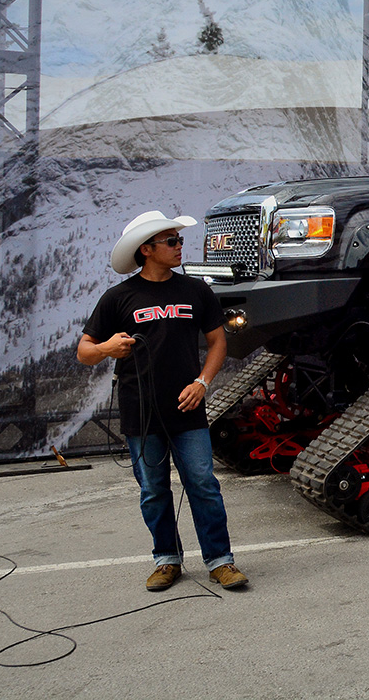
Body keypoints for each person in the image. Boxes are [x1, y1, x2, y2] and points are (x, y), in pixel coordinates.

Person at [77, 211, 248, 592]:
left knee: (203, 483)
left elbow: (219, 342)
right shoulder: (118, 297)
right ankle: (166, 560)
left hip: (189, 409)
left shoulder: (195, 291)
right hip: (140, 411)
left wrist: (203, 382)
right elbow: (84, 352)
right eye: (171, 241)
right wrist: (107, 347)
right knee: (153, 490)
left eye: (178, 240)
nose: (178, 246)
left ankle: (220, 561)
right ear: (146, 249)